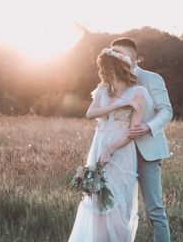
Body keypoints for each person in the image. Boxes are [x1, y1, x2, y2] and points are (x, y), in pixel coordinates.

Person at [67, 46, 153, 241]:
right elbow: (90, 114)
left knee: (118, 201)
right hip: (99, 143)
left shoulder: (138, 93)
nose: (107, 75)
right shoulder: (103, 91)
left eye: (110, 70)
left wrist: (110, 149)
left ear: (121, 69)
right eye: (105, 71)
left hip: (120, 149)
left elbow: (133, 131)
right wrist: (116, 105)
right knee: (97, 198)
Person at [110, 37, 173, 242]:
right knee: (118, 208)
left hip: (147, 151)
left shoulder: (152, 78)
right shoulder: (112, 81)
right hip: (120, 152)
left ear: (134, 56)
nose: (116, 58)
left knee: (154, 209)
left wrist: (148, 127)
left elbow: (166, 111)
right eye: (113, 54)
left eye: (120, 53)